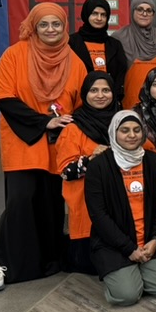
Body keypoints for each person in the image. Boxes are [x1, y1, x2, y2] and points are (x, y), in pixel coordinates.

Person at [0, 2, 88, 291]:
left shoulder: (75, 61)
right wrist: (44, 122)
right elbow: (6, 99)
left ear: (65, 27)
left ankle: (46, 261)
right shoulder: (14, 55)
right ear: (33, 27)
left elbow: (81, 103)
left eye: (56, 24)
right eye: (44, 24)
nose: (51, 29)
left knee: (50, 202)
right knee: (20, 200)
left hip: (58, 145)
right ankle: (2, 263)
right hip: (22, 140)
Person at [85, 110, 156, 306]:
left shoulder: (154, 161)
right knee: (127, 296)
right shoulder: (98, 166)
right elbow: (98, 215)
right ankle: (128, 274)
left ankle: (136, 271)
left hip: (149, 240)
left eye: (137, 130)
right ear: (114, 133)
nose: (132, 135)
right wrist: (129, 248)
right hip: (114, 243)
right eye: (124, 130)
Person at [56, 71, 118, 274]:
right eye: (94, 90)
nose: (100, 95)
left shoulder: (124, 124)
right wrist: (91, 159)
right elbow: (65, 171)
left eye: (106, 90)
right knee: (88, 266)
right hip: (86, 209)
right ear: (84, 94)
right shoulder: (73, 129)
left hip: (119, 208)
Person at [112, 0, 156, 111]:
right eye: (140, 9)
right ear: (132, 11)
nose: (144, 14)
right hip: (130, 106)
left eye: (149, 10)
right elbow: (114, 74)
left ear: (153, 14)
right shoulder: (119, 38)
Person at [68, 0, 128, 104]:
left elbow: (121, 74)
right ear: (86, 15)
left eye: (103, 15)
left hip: (108, 102)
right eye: (94, 14)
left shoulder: (115, 44)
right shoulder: (72, 42)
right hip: (79, 103)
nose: (99, 18)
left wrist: (115, 97)